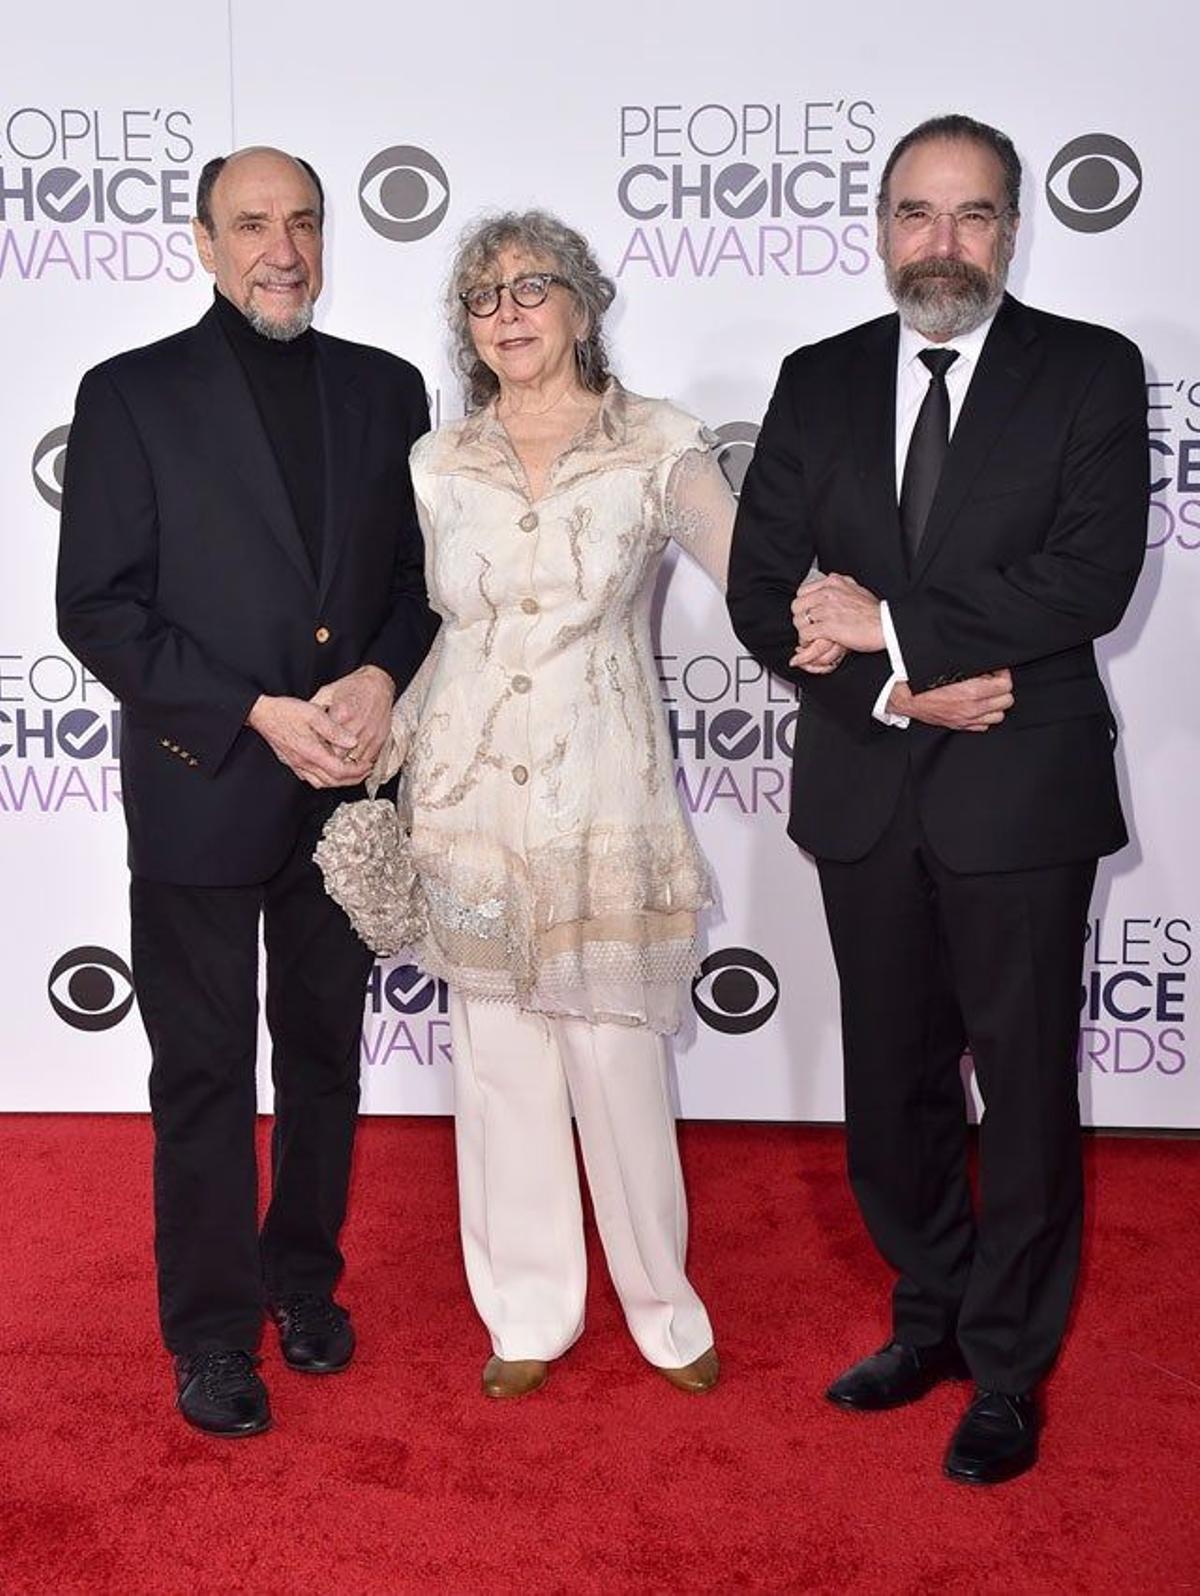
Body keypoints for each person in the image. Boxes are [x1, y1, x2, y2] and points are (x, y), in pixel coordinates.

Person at [728, 114, 1148, 1484]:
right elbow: (761, 590)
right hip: (869, 787)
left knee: (1023, 1093)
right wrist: (903, 692)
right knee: (892, 1090)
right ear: (881, 224)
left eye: (972, 215)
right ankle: (933, 1318)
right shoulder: (818, 378)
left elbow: (1087, 580)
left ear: (1014, 227)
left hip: (1021, 794)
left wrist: (897, 628)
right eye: (918, 213)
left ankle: (1011, 1368)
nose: (943, 243)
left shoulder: (1087, 372)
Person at [56, 147, 436, 1437]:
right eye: (254, 224)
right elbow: (96, 610)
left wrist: (385, 674)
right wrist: (254, 714)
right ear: (207, 245)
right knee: (205, 1075)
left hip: (347, 794)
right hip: (204, 788)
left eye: (305, 223)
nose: (284, 247)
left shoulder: (388, 391)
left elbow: (410, 581)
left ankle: (302, 1281)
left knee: (325, 1058)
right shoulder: (131, 395)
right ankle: (213, 1337)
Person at [323, 210, 734, 1399]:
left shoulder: (658, 443)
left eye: (531, 287)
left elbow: (750, 575)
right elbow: (442, 630)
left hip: (603, 794)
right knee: (500, 1071)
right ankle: (527, 1312)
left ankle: (664, 1308)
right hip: (466, 801)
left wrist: (854, 622)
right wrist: (378, 735)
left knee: (617, 1068)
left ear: (584, 304)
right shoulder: (437, 462)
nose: (508, 312)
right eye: (483, 296)